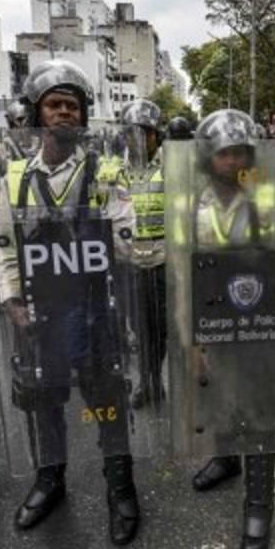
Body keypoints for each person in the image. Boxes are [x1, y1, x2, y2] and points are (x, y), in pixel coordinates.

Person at [0, 59, 141, 545]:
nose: (63, 113)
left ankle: (120, 487)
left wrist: (107, 226)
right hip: (41, 313)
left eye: (72, 106)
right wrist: (12, 301)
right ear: (36, 113)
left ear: (83, 115)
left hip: (95, 310)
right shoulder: (14, 178)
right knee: (44, 400)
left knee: (106, 401)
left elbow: (127, 246)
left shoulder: (106, 173)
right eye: (54, 105)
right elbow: (4, 249)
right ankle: (49, 479)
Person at [183, 108, 275, 549]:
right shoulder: (194, 203)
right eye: (223, 153)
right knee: (221, 396)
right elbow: (186, 267)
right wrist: (192, 334)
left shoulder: (267, 198)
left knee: (260, 407)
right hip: (216, 322)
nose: (232, 160)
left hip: (259, 321)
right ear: (208, 157)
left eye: (240, 153)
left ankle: (259, 502)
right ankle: (228, 458)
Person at [119, 100, 168, 410]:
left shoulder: (173, 167)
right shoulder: (114, 171)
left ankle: (154, 379)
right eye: (132, 133)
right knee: (139, 328)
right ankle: (146, 380)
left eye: (145, 133)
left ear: (155, 135)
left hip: (164, 261)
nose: (138, 139)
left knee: (161, 328)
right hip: (131, 263)